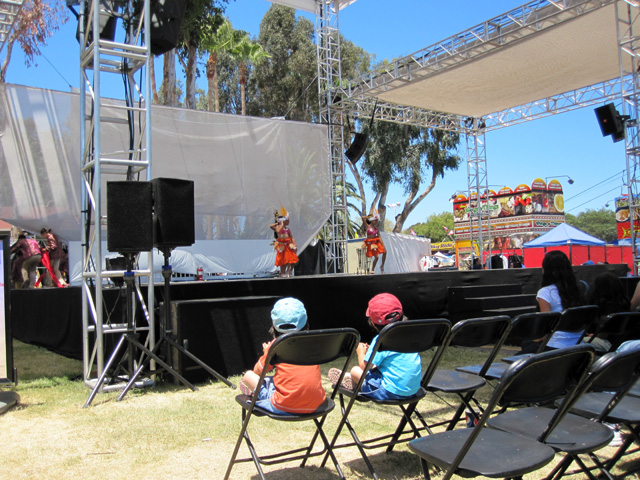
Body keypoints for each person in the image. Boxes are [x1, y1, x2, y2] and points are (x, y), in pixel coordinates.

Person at [240, 297, 326, 415]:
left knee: (249, 376)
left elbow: (258, 371)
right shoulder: (313, 344)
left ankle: (254, 390)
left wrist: (266, 354)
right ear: (305, 320)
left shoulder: (275, 346)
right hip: (317, 404)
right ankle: (259, 388)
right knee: (273, 380)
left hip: (283, 405)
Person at [328, 293, 422, 401]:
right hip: (413, 390)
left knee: (356, 370)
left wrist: (361, 351)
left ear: (372, 323)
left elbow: (365, 367)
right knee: (373, 370)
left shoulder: (382, 339)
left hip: (389, 392)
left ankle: (355, 380)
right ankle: (352, 379)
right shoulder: (410, 334)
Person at [524, 250, 586, 352]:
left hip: (555, 345)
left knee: (526, 345)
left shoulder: (545, 292)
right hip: (578, 343)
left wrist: (534, 340)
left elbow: (546, 327)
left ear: (546, 269)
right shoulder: (577, 289)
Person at [582, 273, 630, 352]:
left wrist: (595, 336)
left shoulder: (606, 310)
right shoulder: (624, 305)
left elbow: (603, 335)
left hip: (608, 344)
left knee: (574, 343)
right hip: (621, 344)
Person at [269, 210, 298, 278]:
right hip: (282, 246)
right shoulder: (278, 227)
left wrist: (295, 244)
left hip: (288, 245)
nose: (288, 222)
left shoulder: (288, 229)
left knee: (292, 259)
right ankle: (282, 273)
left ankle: (289, 271)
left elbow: (292, 237)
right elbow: (274, 228)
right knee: (283, 261)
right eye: (286, 220)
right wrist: (279, 223)